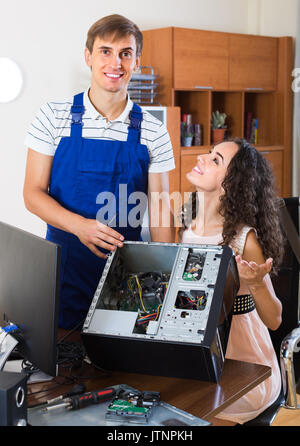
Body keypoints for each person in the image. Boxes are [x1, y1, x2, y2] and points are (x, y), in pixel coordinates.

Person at [23, 14, 175, 330]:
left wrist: (163, 282)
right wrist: (81, 226)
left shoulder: (153, 131)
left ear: (136, 61)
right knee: (61, 367)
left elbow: (160, 211)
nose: (115, 62)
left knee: (121, 368)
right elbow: (32, 194)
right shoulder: (53, 116)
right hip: (63, 270)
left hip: (127, 276)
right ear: (88, 56)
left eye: (125, 53)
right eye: (105, 51)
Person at [178, 137, 284, 425]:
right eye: (210, 153)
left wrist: (257, 282)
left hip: (244, 370)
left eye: (215, 160)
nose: (202, 158)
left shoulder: (243, 239)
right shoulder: (185, 226)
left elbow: (274, 319)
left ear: (231, 183)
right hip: (200, 361)